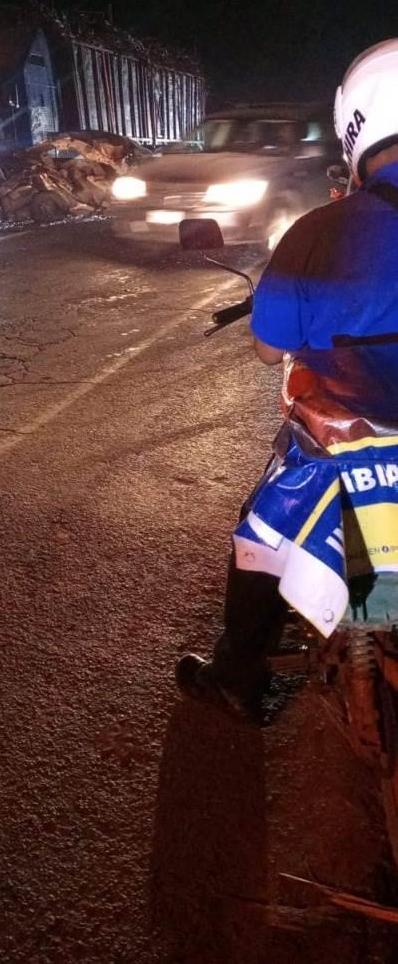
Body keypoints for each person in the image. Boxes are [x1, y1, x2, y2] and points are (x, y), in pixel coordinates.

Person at [176, 38, 398, 721]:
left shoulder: (318, 232)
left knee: (259, 534)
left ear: (354, 129)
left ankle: (237, 676)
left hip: (359, 448)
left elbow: (269, 350)